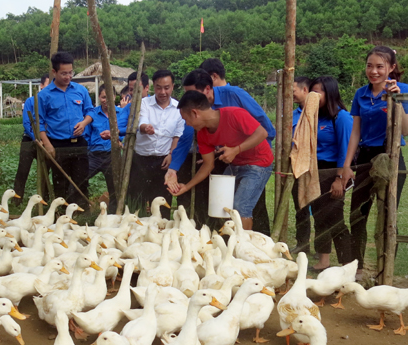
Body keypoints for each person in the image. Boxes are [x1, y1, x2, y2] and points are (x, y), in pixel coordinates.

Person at [337, 46, 408, 280]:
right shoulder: (361, 94)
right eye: (370, 66)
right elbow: (355, 133)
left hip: (391, 157)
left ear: (391, 68)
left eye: (380, 66)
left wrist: (396, 99)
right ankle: (357, 268)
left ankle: (386, 268)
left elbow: (407, 130)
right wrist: (347, 164)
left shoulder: (404, 90)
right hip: (364, 159)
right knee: (357, 214)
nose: (374, 71)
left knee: (388, 214)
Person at [174, 62, 275, 235]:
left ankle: (242, 249)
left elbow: (263, 132)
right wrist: (186, 186)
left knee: (240, 207)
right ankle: (232, 241)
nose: (187, 124)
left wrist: (236, 149)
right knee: (220, 204)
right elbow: (208, 165)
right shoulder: (203, 134)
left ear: (195, 113)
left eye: (186, 119)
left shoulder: (234, 113)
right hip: (235, 165)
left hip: (259, 163)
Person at [304, 76, 352, 270]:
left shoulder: (341, 118)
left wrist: (339, 179)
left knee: (335, 218)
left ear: (330, 93)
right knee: (319, 216)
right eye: (312, 91)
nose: (315, 95)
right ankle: (323, 261)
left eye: (319, 91)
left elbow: (345, 151)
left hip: (333, 172)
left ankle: (347, 262)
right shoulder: (314, 116)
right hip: (315, 172)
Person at [38, 52, 94, 207]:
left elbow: (90, 112)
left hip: (79, 144)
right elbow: (39, 123)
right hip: (58, 144)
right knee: (60, 182)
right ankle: (61, 213)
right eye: (64, 73)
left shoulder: (80, 90)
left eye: (71, 72)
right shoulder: (44, 95)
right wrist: (48, 145)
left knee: (81, 179)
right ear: (54, 72)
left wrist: (83, 123)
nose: (68, 76)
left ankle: (82, 212)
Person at [128, 69, 183, 219]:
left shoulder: (178, 109)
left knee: (161, 202)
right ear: (153, 87)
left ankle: (161, 232)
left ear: (172, 87)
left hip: (163, 161)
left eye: (166, 87)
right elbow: (141, 122)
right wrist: (146, 128)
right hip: (140, 160)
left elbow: (177, 136)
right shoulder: (144, 103)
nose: (163, 92)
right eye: (159, 87)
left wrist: (171, 154)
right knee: (136, 201)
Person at [84, 84, 126, 213]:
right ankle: (83, 210)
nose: (106, 100)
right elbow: (86, 135)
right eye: (103, 97)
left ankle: (113, 215)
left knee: (114, 187)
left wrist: (120, 142)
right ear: (99, 97)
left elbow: (125, 134)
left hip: (112, 155)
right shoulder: (92, 115)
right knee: (81, 178)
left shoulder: (121, 113)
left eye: (109, 97)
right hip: (94, 155)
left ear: (114, 97)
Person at [13, 74, 50, 205]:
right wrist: (36, 138)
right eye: (48, 85)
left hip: (47, 142)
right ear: (41, 86)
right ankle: (16, 201)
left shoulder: (52, 102)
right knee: (22, 171)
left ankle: (45, 201)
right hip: (29, 140)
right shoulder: (30, 101)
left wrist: (45, 141)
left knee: (46, 171)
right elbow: (26, 123)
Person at [292, 76, 313, 254]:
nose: (291, 95)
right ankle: (303, 243)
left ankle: (323, 249)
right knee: (300, 208)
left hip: (314, 166)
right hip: (296, 168)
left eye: (293, 91)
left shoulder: (315, 113)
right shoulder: (291, 116)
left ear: (304, 90)